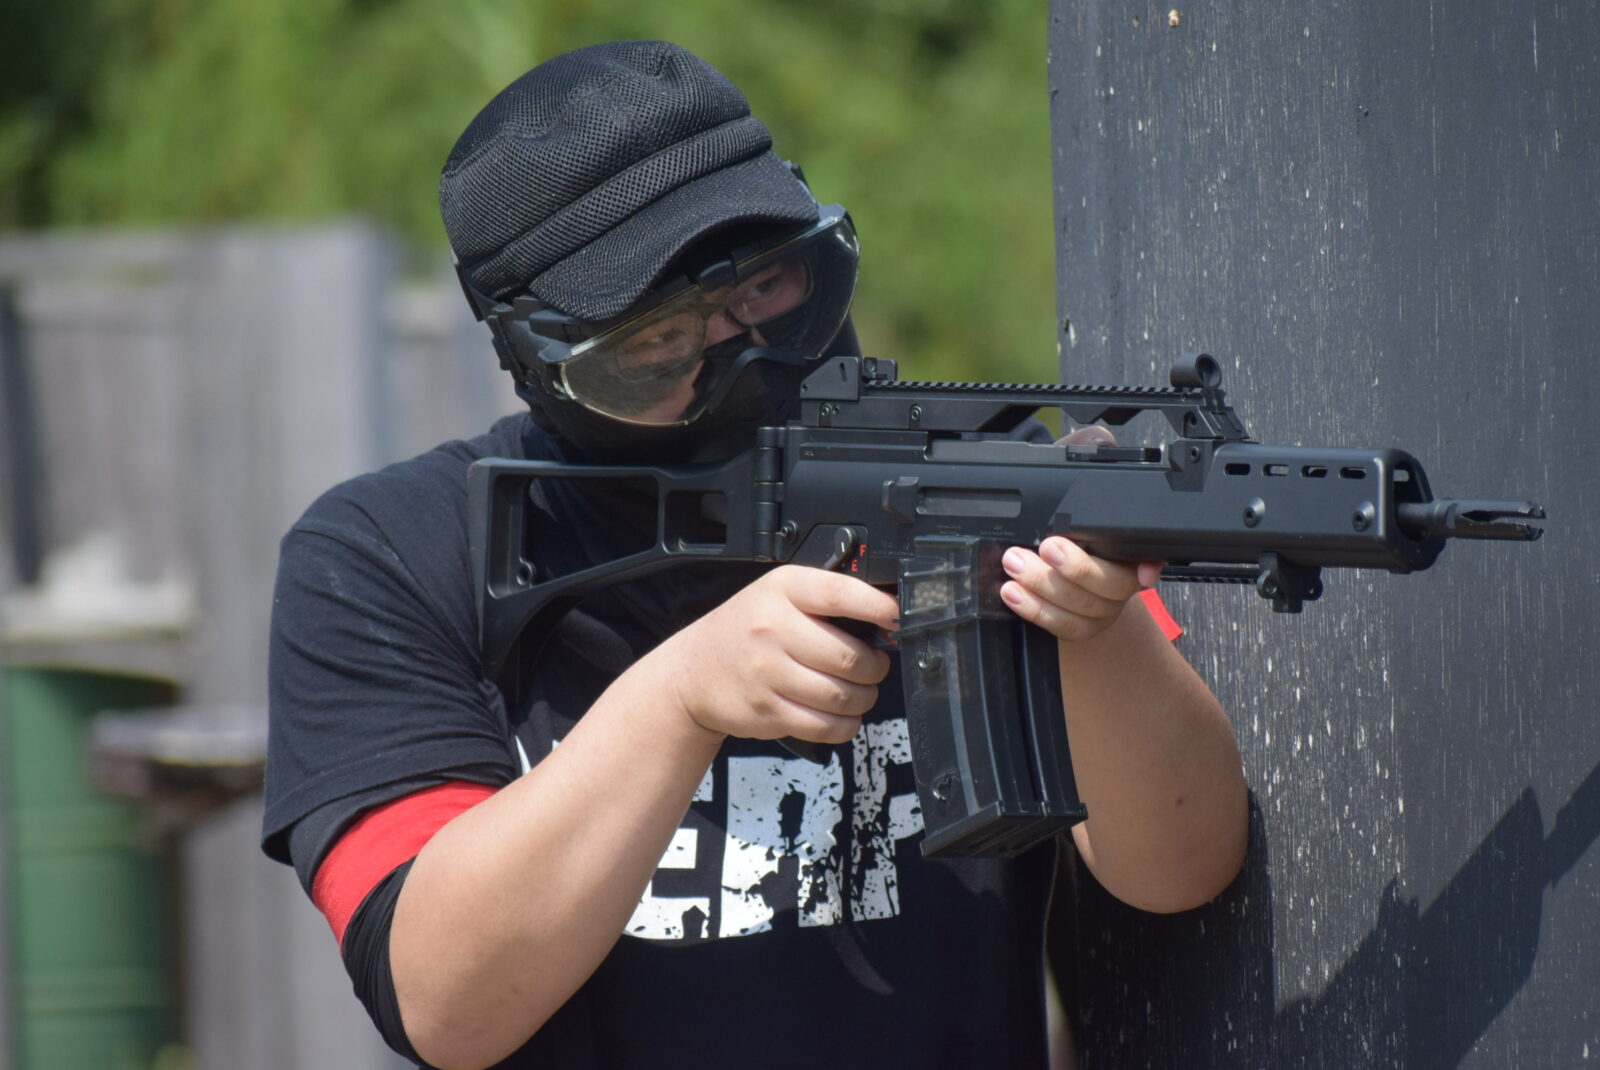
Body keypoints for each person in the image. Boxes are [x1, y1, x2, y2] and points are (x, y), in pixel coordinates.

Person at [261, 40, 1248, 1070]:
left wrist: (1091, 628)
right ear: (536, 362)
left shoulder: (982, 478)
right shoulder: (393, 554)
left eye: (771, 284)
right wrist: (680, 698)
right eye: (657, 340)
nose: (743, 352)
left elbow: (1181, 867)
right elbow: (443, 1002)